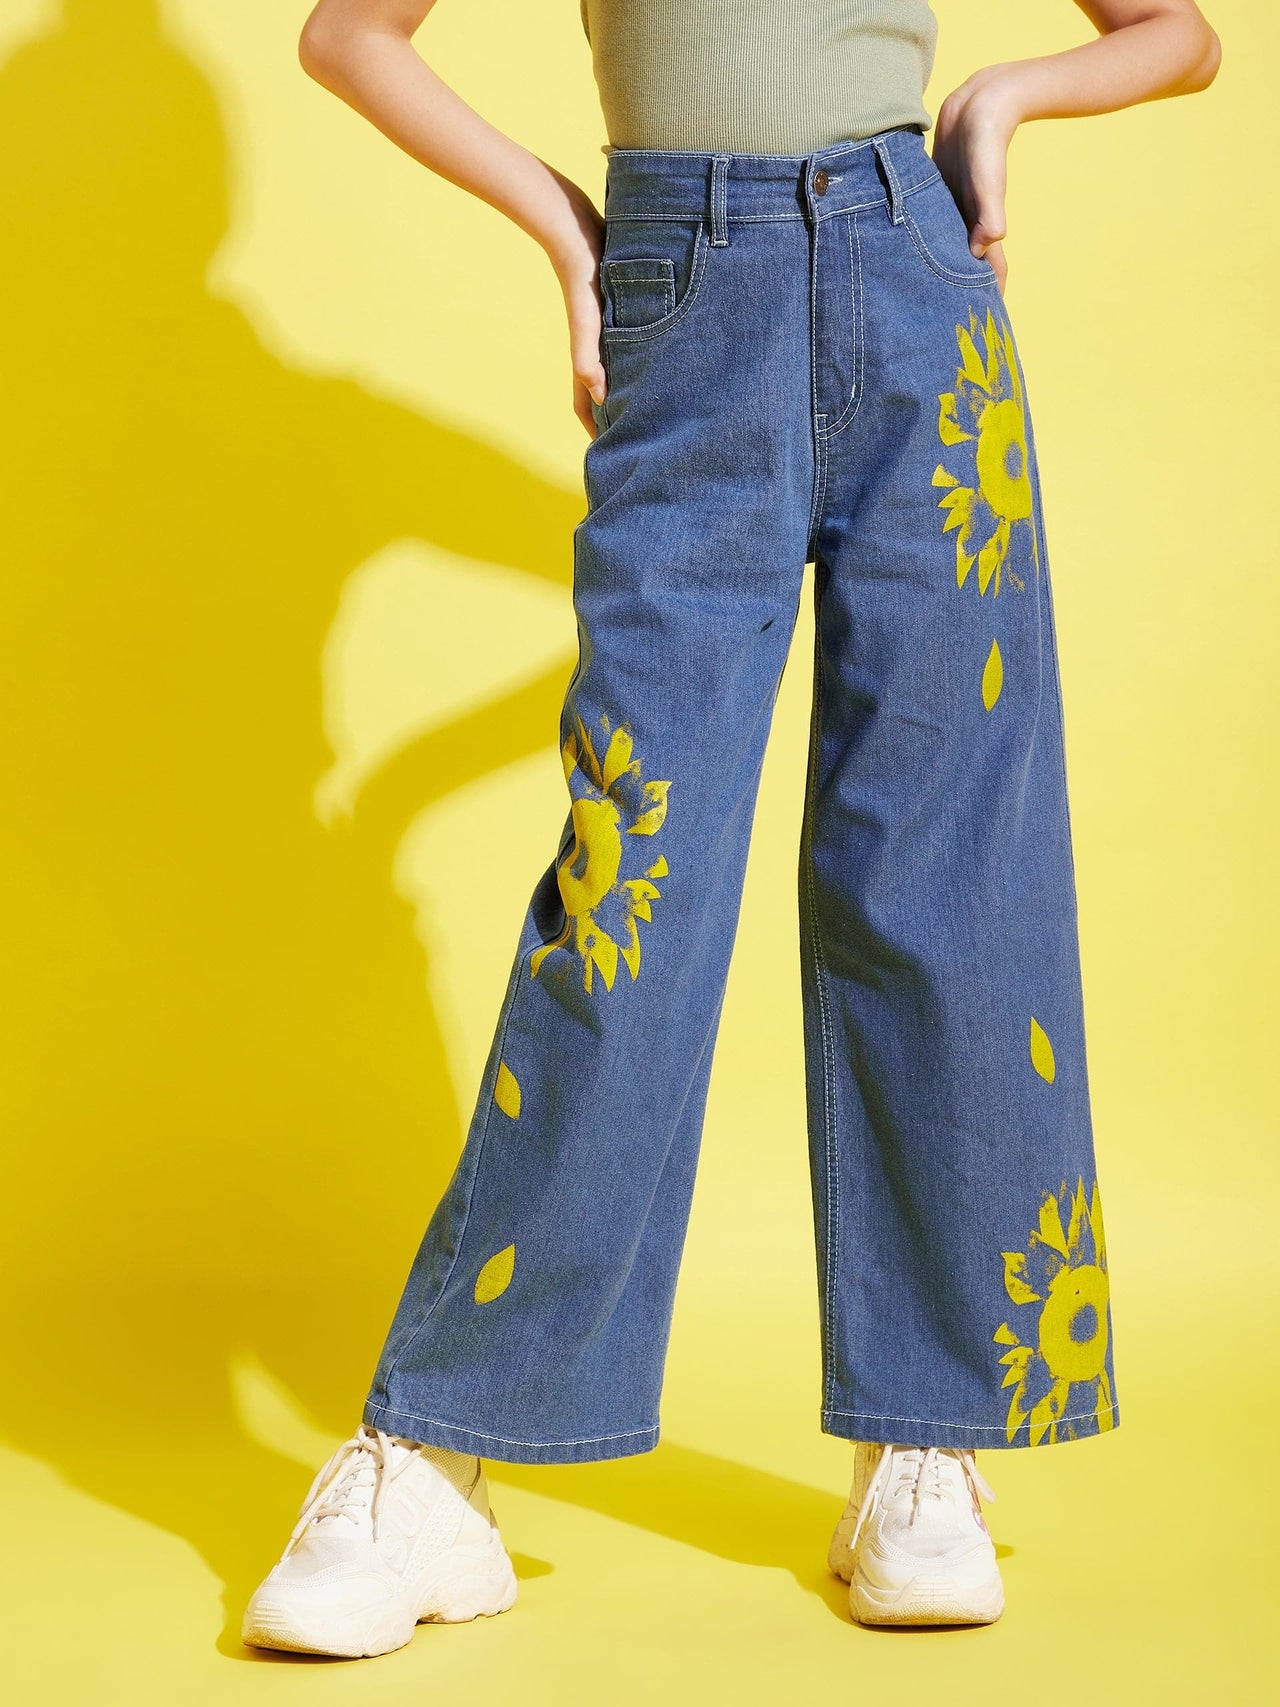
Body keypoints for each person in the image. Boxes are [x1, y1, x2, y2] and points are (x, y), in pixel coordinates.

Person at [242, 0, 1220, 1656]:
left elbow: (1178, 36)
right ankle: (434, 1466)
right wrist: (566, 227)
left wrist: (1003, 99)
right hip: (684, 289)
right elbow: (351, 37)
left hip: (921, 292)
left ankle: (929, 1440)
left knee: (943, 886)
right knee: (631, 895)